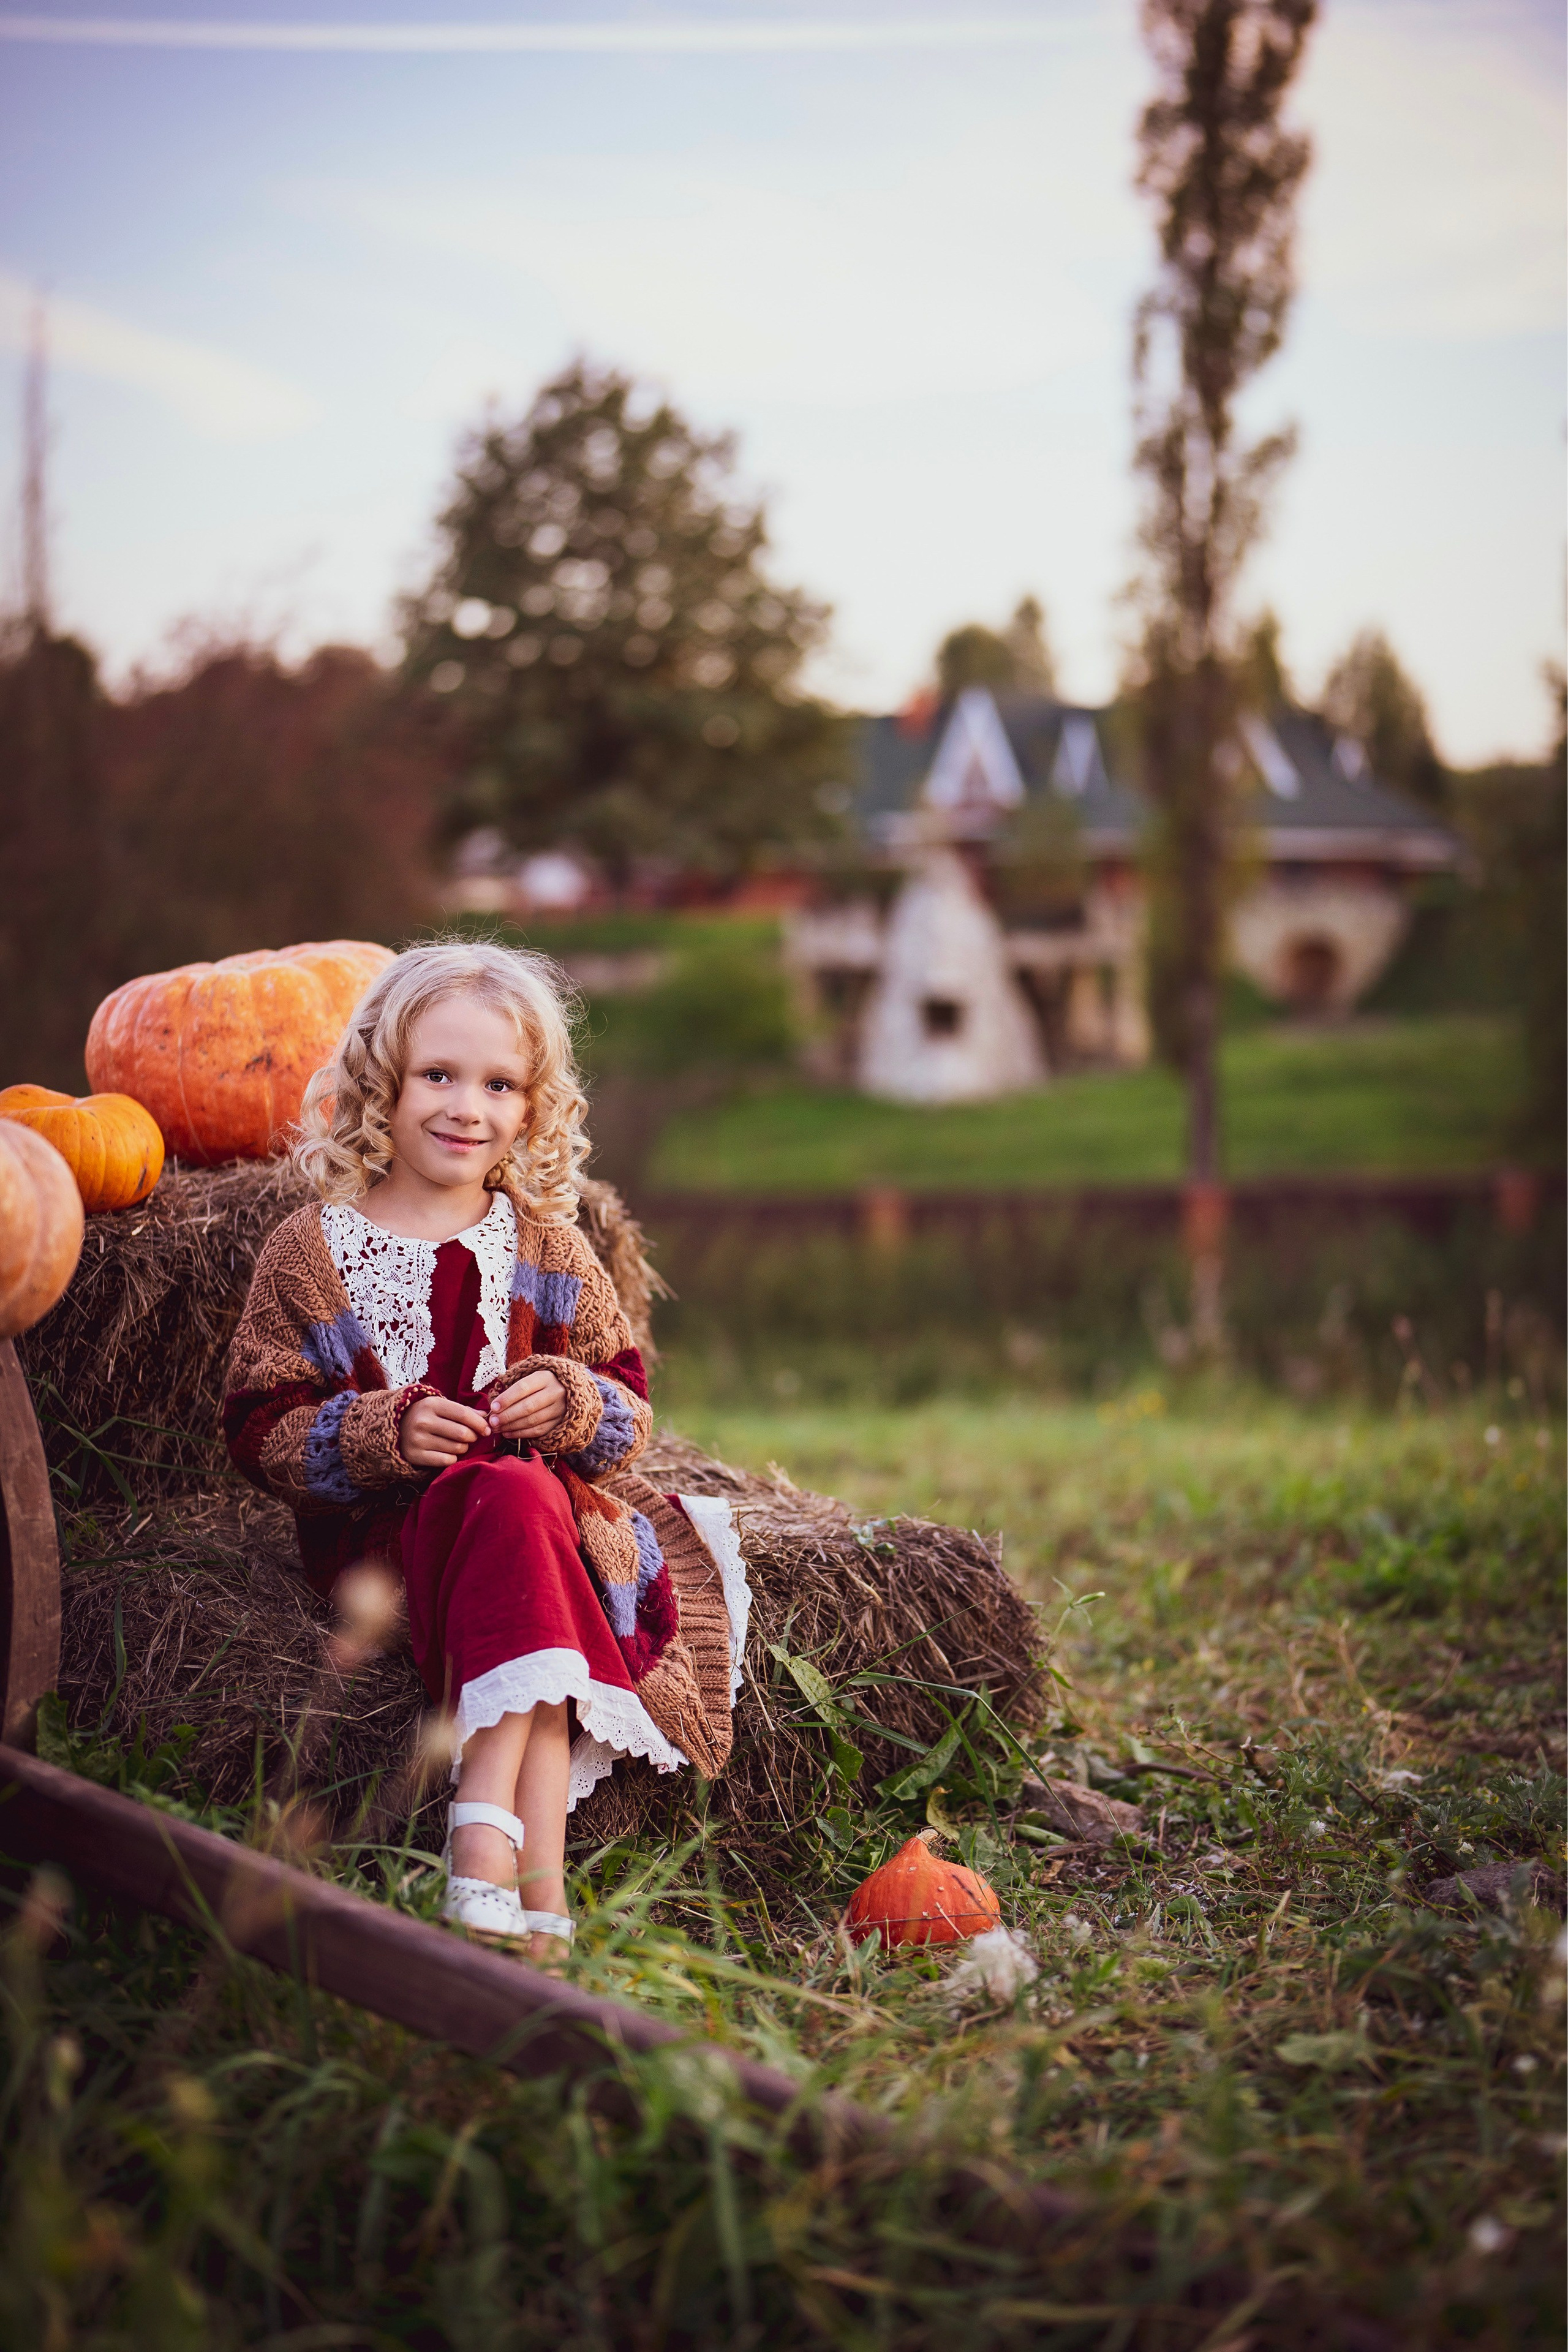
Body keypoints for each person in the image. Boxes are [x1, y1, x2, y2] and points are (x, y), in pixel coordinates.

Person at [224, 940, 725, 1963]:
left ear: (534, 1108)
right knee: (502, 1502)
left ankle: (522, 1893)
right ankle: (507, 1859)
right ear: (382, 1083)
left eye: (500, 1085)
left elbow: (629, 1413)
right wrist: (382, 1433)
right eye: (438, 1076)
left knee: (518, 1499)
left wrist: (572, 1403)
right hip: (389, 1549)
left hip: (533, 1530)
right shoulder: (313, 1251)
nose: (467, 1108)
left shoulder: (550, 1248)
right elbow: (259, 1426)